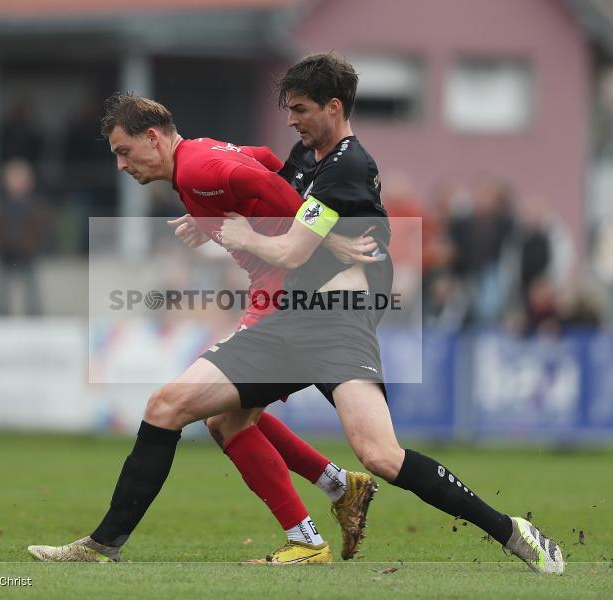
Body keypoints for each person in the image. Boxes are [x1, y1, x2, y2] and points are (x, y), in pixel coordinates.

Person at [30, 54, 564, 575]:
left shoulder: (347, 166)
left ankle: (511, 532)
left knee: (380, 455)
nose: (292, 120)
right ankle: (118, 544)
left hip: (334, 317)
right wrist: (217, 218)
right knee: (191, 410)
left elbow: (290, 250)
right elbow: (265, 166)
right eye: (289, 109)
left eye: (301, 109)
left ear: (334, 108)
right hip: (301, 314)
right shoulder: (309, 156)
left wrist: (235, 232)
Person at [33, 93, 379, 565]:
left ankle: (105, 545)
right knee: (228, 418)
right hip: (275, 296)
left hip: (281, 303)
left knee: (174, 406)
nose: (120, 165)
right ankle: (337, 491)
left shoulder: (196, 169)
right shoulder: (199, 155)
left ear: (152, 138)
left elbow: (269, 184)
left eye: (123, 151)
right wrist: (213, 218)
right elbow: (261, 161)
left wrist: (325, 236)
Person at [0, 159, 48, 316]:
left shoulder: (35, 205)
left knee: (31, 287)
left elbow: (39, 229)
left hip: (27, 253)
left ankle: (34, 315)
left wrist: (30, 245)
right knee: (3, 289)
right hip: (6, 253)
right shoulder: (2, 205)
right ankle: (0, 315)